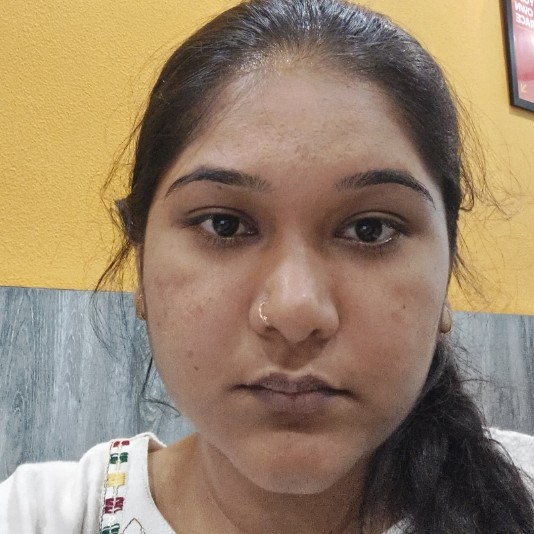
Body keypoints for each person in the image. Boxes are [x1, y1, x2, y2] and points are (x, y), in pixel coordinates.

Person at [1, 0, 533, 532]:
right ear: (140, 264)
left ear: (446, 273)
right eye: (224, 225)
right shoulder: (43, 516)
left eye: (370, 229)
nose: (294, 312)